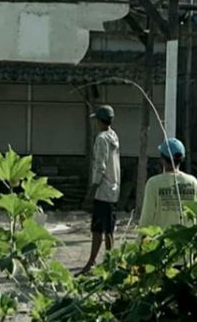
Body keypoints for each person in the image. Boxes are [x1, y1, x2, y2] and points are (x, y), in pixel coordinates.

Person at [79, 105, 121, 275]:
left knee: (97, 229)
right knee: (109, 229)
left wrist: (91, 192)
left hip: (103, 190)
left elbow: (100, 167)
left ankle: (91, 263)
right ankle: (110, 263)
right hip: (114, 188)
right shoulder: (114, 136)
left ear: (100, 121)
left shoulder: (101, 138)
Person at [139, 138, 197, 231]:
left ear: (162, 159)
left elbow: (147, 217)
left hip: (162, 240)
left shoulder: (153, 183)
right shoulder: (193, 182)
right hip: (187, 240)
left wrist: (141, 239)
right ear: (182, 159)